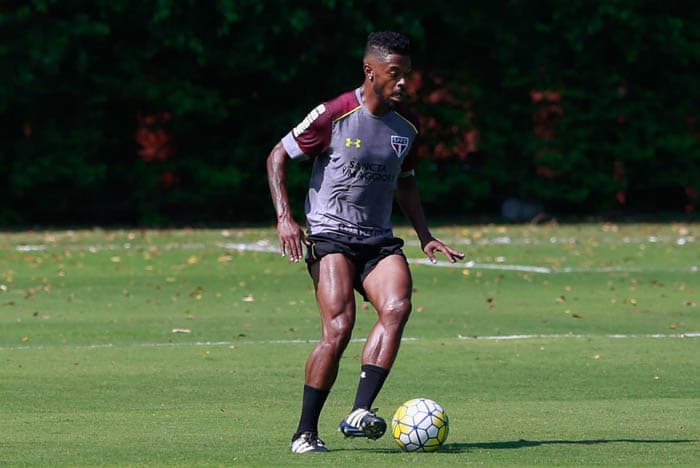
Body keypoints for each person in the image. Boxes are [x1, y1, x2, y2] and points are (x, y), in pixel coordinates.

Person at [266, 31, 464, 454]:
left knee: (398, 306)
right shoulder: (334, 114)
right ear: (370, 71)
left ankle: (359, 411)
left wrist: (425, 237)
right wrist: (286, 218)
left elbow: (406, 183)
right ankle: (304, 433)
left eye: (407, 75)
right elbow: (277, 155)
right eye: (395, 74)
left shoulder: (406, 127)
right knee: (339, 328)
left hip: (377, 241)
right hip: (331, 234)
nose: (404, 83)